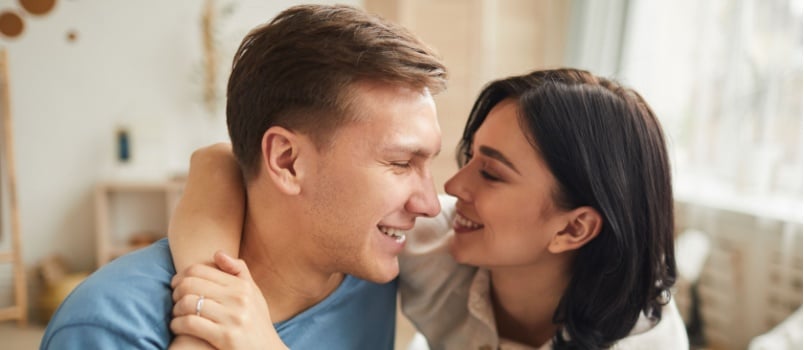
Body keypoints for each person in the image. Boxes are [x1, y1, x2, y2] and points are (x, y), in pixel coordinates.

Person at [169, 68, 689, 349]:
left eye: (491, 172)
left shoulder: (645, 343)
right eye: (469, 156)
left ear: (574, 227)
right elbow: (219, 162)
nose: (452, 185)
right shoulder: (438, 241)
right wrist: (213, 296)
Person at [40, 4, 446, 349]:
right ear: (287, 161)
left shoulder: (373, 268)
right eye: (400, 163)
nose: (428, 204)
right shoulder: (110, 328)